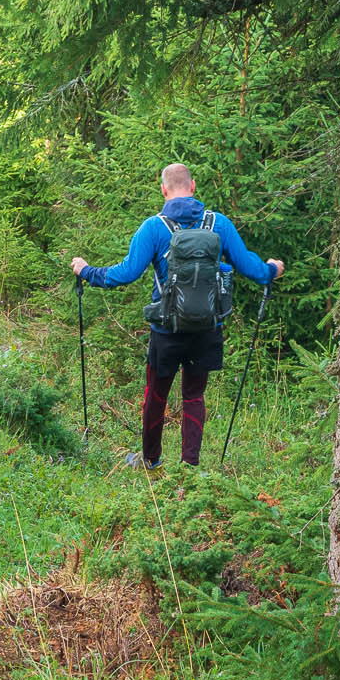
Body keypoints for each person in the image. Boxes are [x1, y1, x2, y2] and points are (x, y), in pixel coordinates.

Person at [70, 163, 283, 469]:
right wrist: (272, 269)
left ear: (164, 190)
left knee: (156, 393)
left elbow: (126, 274)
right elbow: (250, 267)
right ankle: (189, 468)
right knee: (194, 396)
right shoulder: (218, 224)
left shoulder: (153, 228)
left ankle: (151, 460)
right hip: (207, 328)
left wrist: (88, 271)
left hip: (166, 330)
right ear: (193, 186)